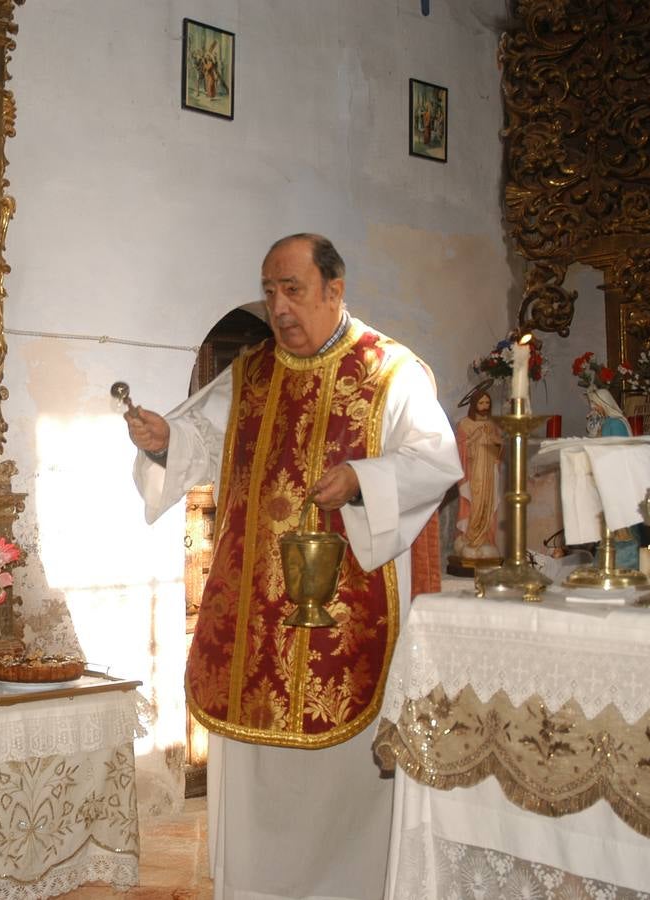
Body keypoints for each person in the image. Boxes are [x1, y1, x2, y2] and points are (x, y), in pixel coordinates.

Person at [124, 234, 462, 899]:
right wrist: (167, 440)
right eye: (269, 290)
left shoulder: (389, 371)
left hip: (342, 613)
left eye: (293, 290)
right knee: (255, 775)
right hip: (253, 616)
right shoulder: (251, 373)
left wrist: (363, 479)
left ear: (334, 291)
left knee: (341, 782)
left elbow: (435, 460)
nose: (277, 307)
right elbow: (204, 441)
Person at [453, 387, 503, 560]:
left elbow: (498, 449)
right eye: (481, 402)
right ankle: (472, 537)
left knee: (487, 504)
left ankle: (485, 539)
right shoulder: (465, 424)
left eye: (487, 402)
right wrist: (474, 438)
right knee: (475, 503)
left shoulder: (492, 424)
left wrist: (495, 441)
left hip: (489, 471)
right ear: (474, 404)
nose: (484, 406)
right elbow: (460, 449)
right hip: (474, 472)